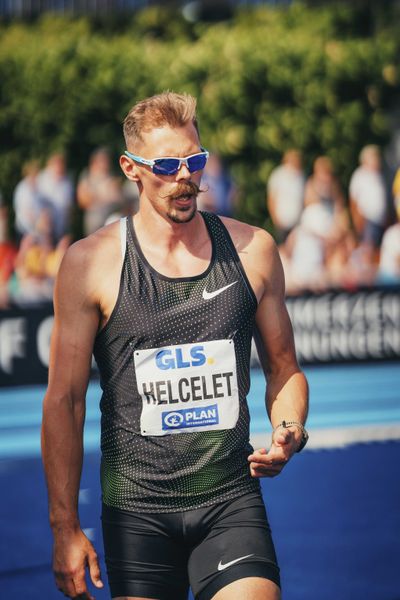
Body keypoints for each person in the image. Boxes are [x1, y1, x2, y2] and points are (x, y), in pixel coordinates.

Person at [42, 92, 309, 600]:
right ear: (131, 169)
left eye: (195, 160)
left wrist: (289, 428)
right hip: (136, 511)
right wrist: (64, 527)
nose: (185, 175)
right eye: (167, 164)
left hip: (231, 498)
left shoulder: (253, 251)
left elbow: (284, 368)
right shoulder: (90, 263)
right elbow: (64, 400)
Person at [77, 147, 122, 236]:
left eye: (106, 161)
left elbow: (119, 199)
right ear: (95, 162)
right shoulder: (87, 177)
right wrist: (103, 196)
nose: (106, 164)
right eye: (103, 161)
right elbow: (82, 201)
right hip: (94, 222)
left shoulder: (111, 178)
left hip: (109, 222)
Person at [349, 145, 388, 248]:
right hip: (367, 220)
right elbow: (353, 200)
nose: (377, 160)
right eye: (374, 157)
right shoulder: (360, 175)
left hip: (379, 220)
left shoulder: (378, 175)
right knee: (368, 249)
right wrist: (357, 220)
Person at [266, 149, 305, 244]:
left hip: (297, 223)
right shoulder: (278, 175)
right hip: (282, 221)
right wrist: (275, 219)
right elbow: (272, 198)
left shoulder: (301, 176)